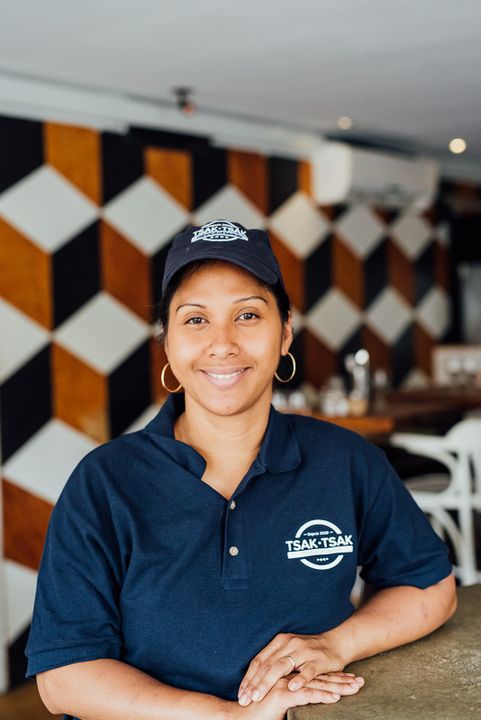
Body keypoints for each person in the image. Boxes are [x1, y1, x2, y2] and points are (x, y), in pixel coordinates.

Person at [25, 219, 457, 720]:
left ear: (285, 333)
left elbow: (431, 587)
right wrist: (228, 716)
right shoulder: (106, 482)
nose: (223, 343)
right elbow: (65, 677)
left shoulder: (344, 460)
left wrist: (338, 643)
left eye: (248, 314)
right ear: (168, 342)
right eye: (195, 320)